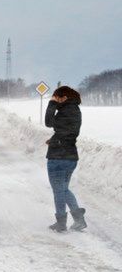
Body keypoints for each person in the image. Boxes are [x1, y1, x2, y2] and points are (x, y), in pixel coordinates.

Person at [45, 86, 87, 232]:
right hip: (70, 157)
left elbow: (49, 122)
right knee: (63, 189)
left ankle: (61, 223)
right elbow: (68, 132)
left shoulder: (66, 110)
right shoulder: (75, 110)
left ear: (64, 97)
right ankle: (78, 218)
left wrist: (52, 104)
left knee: (58, 190)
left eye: (57, 97)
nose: (56, 100)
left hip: (58, 157)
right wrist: (54, 139)